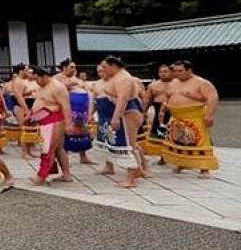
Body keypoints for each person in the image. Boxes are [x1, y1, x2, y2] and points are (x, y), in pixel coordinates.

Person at [162, 60, 219, 178]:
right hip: (177, 117)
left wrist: (209, 115)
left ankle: (205, 168)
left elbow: (212, 98)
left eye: (180, 71)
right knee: (179, 141)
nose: (177, 73)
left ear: (189, 70)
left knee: (199, 141)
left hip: (195, 116)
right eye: (175, 71)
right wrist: (163, 110)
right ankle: (182, 163)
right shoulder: (173, 83)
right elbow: (168, 97)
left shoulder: (201, 82)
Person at [95, 56, 144, 188]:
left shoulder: (123, 78)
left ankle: (131, 179)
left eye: (105, 67)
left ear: (114, 66)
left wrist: (116, 118)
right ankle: (136, 170)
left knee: (128, 146)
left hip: (128, 113)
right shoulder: (116, 77)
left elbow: (123, 100)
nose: (103, 70)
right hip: (120, 114)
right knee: (124, 144)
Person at [27, 67, 72, 185]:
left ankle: (41, 177)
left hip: (55, 120)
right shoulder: (40, 87)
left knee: (47, 149)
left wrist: (68, 124)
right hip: (43, 121)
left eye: (37, 79)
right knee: (57, 148)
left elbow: (66, 106)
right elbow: (39, 102)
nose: (35, 81)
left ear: (44, 76)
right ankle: (67, 175)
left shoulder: (57, 87)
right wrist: (30, 115)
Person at [55, 58, 95, 165]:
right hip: (68, 108)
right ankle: (65, 158)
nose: (74, 69)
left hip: (82, 109)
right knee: (66, 132)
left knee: (83, 131)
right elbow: (55, 92)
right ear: (64, 68)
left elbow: (88, 92)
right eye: (71, 67)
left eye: (75, 67)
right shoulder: (57, 79)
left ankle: (83, 156)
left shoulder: (76, 79)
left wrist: (89, 110)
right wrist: (66, 86)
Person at [142, 64, 174, 165]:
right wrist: (144, 111)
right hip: (158, 111)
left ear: (171, 72)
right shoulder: (153, 85)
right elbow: (148, 99)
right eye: (161, 72)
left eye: (166, 71)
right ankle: (162, 158)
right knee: (160, 137)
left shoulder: (177, 84)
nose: (163, 74)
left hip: (174, 112)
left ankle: (179, 160)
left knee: (176, 136)